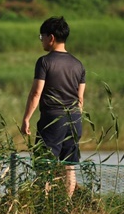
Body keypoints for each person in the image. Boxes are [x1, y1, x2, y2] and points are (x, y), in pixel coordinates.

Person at [21, 16, 85, 198]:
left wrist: (26, 118)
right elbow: (80, 99)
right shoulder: (78, 65)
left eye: (41, 37)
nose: (41, 41)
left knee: (44, 165)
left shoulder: (45, 62)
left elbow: (36, 93)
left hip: (52, 120)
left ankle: (45, 205)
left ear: (51, 37)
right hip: (74, 118)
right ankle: (65, 207)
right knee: (70, 167)